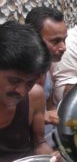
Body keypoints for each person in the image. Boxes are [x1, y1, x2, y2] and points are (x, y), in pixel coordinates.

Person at [0, 21, 56, 161]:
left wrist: (48, 157)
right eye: (14, 81)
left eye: (30, 83)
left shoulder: (34, 96)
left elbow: (39, 142)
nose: (21, 91)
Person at [25, 7, 68, 146]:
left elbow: (50, 105)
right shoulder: (17, 77)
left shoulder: (48, 66)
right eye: (55, 41)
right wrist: (41, 117)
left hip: (53, 138)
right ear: (34, 39)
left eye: (64, 40)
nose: (63, 47)